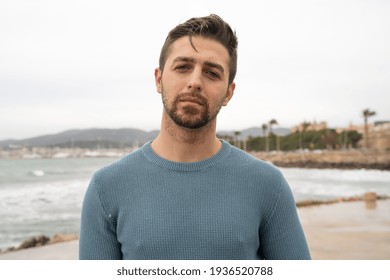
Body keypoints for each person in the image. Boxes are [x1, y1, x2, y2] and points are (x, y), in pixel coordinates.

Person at [79, 14, 311, 260]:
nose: (195, 82)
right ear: (158, 79)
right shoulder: (106, 187)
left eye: (212, 73)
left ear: (228, 93)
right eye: (183, 67)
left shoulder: (268, 185)